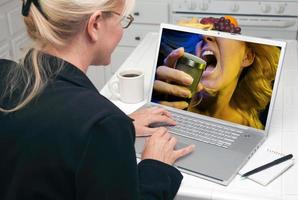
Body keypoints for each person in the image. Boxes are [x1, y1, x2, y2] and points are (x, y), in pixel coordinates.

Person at [0, 0, 195, 199]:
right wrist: (156, 166)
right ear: (95, 24)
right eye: (123, 21)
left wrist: (112, 132)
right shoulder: (101, 122)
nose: (122, 31)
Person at [153, 31, 280, 129]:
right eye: (202, 33)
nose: (204, 36)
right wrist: (154, 107)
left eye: (222, 32)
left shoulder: (250, 127)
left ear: (247, 57)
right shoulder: (175, 103)